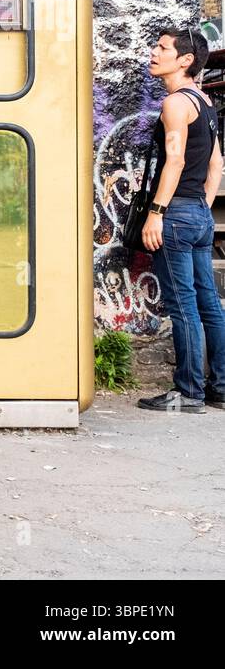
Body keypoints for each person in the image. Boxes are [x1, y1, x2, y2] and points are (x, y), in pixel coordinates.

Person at [137, 29, 225, 414]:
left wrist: (157, 212)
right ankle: (220, 387)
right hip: (198, 215)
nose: (154, 53)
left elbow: (174, 161)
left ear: (185, 60)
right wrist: (202, 208)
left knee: (184, 304)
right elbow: (216, 164)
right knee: (208, 302)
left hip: (174, 214)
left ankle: (188, 391)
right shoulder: (205, 102)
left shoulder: (175, 103)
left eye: (162, 48)